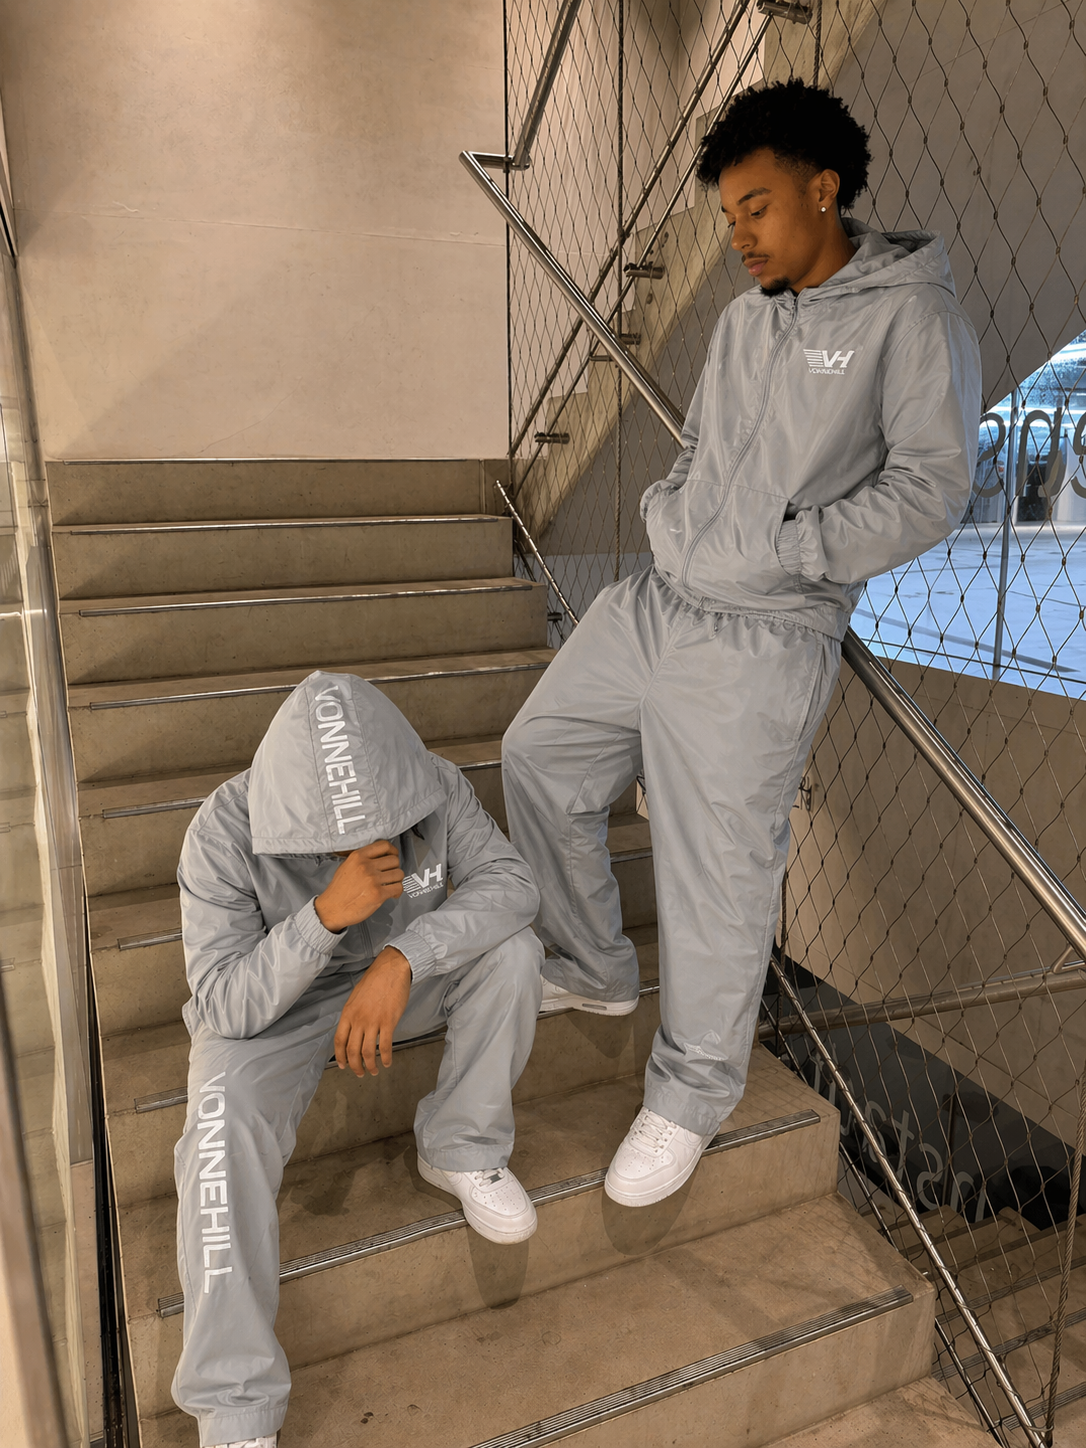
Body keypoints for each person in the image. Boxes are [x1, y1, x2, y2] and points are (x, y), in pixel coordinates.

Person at [502, 78, 982, 1210]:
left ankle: (694, 1089)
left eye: (755, 208)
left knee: (716, 869)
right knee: (539, 757)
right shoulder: (743, 319)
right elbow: (699, 448)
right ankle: (596, 963)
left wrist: (793, 548)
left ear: (823, 190)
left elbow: (932, 487)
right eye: (729, 215)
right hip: (655, 599)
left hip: (764, 636)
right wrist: (673, 513)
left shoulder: (913, 320)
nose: (739, 236)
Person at [171, 670, 543, 1448]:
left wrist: (405, 956)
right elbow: (225, 1006)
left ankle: (462, 1146)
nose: (367, 843)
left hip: (399, 981)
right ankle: (235, 1405)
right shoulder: (221, 829)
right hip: (283, 1002)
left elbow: (512, 886)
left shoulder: (434, 784)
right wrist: (323, 917)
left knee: (513, 951)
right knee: (216, 1118)